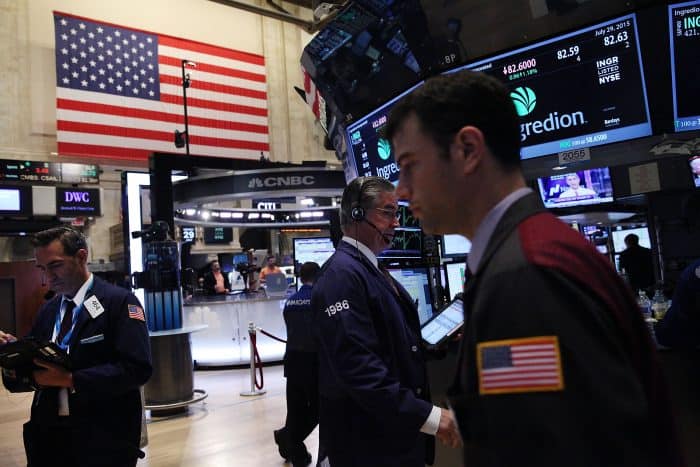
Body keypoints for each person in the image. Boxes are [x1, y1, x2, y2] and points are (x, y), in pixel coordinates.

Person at [385, 70, 682, 467]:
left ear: (468, 150)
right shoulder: (533, 248)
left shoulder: (524, 278)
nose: (401, 191)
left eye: (409, 166)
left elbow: (543, 449)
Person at [310, 176, 461, 467]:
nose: (395, 223)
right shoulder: (341, 277)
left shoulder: (368, 268)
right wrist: (431, 417)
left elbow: (389, 343)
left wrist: (435, 344)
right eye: (387, 213)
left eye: (397, 213)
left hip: (390, 441)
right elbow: (360, 371)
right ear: (356, 214)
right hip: (367, 447)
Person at [0, 226, 152, 467]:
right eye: (42, 268)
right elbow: (33, 367)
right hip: (49, 434)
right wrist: (12, 352)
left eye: (55, 265)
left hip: (104, 437)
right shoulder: (49, 310)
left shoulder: (119, 303)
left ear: (82, 257)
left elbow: (137, 369)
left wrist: (71, 379)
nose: (47, 278)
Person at [273, 261, 322, 467]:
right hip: (313, 362)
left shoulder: (290, 302)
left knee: (295, 409)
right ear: (319, 277)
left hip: (292, 360)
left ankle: (297, 455)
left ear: (301, 278)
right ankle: (287, 438)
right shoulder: (319, 300)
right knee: (319, 408)